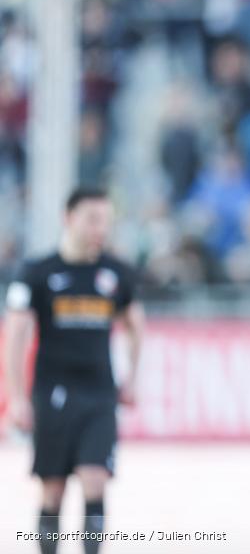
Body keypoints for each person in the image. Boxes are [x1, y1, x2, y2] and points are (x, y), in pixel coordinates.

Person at [3, 187, 144, 554]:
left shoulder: (116, 274)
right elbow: (16, 333)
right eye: (93, 219)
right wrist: (17, 397)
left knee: (95, 479)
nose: (101, 229)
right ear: (69, 219)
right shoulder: (37, 272)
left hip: (99, 393)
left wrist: (132, 377)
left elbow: (135, 323)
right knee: (53, 488)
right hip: (52, 391)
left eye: (106, 221)